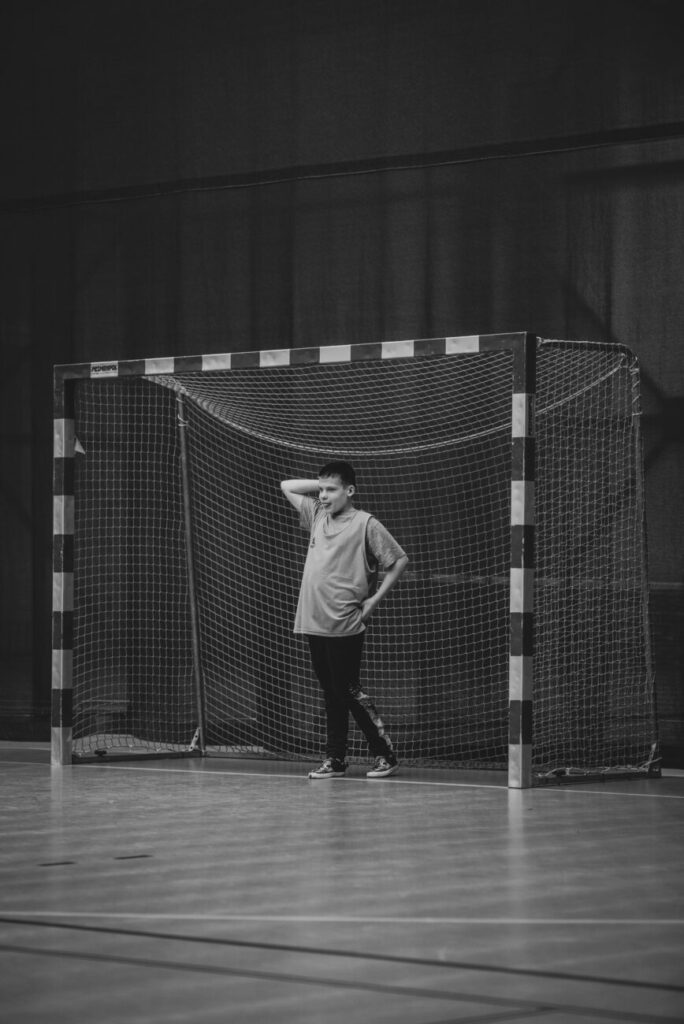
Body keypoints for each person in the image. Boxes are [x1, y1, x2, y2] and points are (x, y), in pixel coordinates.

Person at [280, 461, 409, 780]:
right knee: (330, 692)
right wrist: (323, 483)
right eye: (321, 490)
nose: (323, 495)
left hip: (344, 621)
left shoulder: (366, 524)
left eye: (332, 490)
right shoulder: (317, 515)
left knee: (348, 690)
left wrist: (373, 600)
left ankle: (385, 754)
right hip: (313, 620)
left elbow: (398, 560)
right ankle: (335, 759)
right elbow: (286, 486)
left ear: (350, 491)